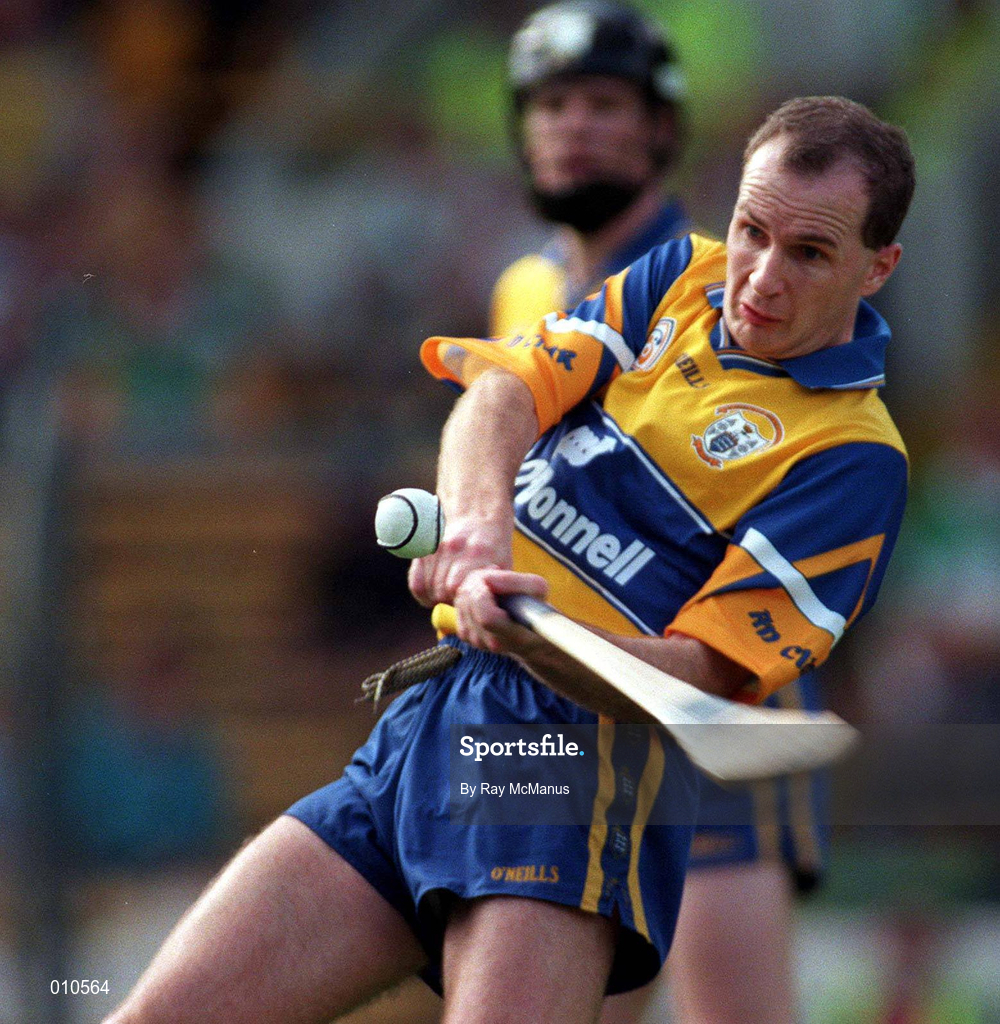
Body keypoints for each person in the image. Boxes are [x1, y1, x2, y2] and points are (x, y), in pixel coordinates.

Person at [104, 95, 914, 1024]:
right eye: (752, 231)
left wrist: (543, 640)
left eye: (808, 254)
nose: (761, 277)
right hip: (430, 723)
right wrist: (477, 531)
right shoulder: (683, 275)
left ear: (877, 267)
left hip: (568, 770)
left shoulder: (853, 457)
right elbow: (504, 394)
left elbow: (698, 682)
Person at [497, 5, 831, 1020]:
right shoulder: (522, 286)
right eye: (551, 104)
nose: (573, 125)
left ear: (659, 129)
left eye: (603, 102)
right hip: (567, 716)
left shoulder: (722, 285)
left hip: (704, 707)